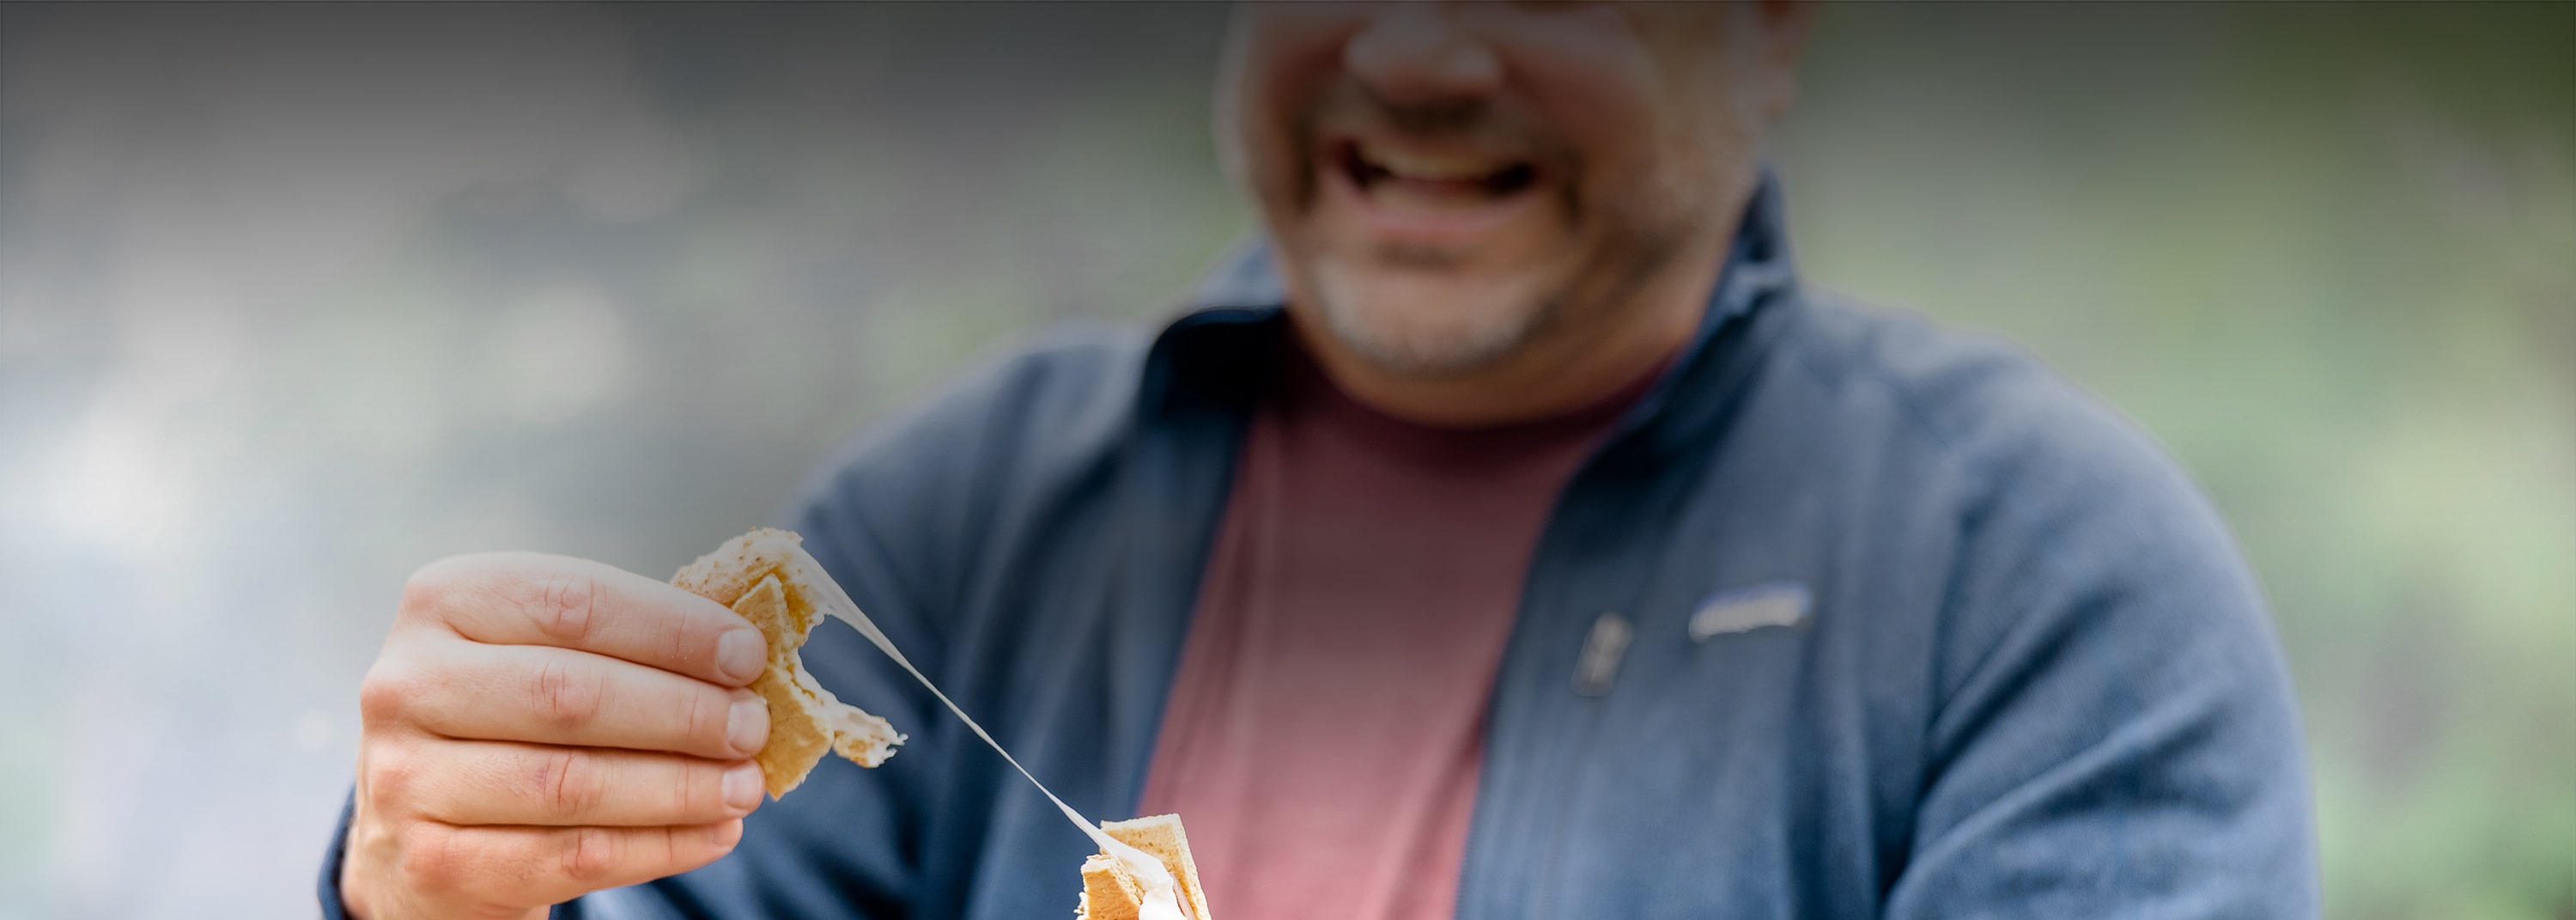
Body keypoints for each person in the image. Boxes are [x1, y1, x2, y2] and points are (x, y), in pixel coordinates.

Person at [322, 3, 2318, 918]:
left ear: (1770, 30)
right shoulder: (961, 521)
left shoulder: (2052, 589)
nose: (1422, 57)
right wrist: (425, 894)